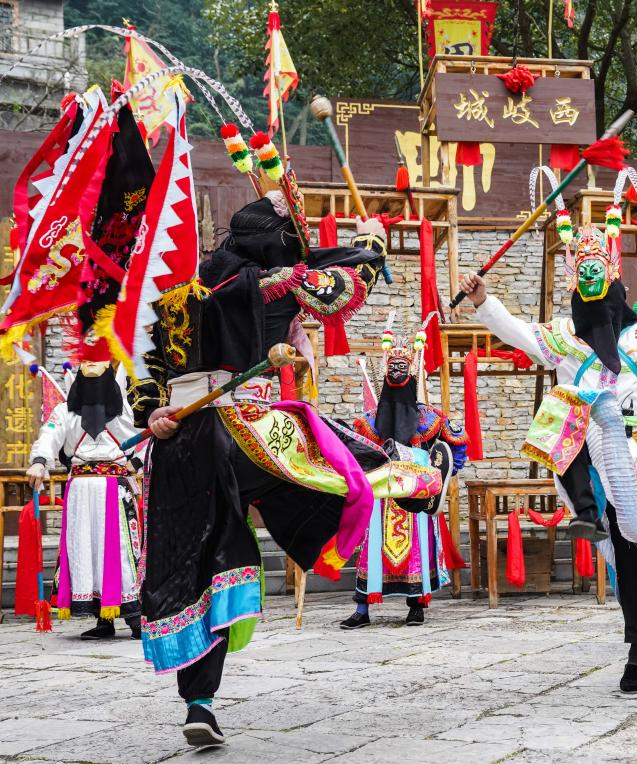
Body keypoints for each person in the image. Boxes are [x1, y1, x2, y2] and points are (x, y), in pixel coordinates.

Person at [130, 193, 387, 747]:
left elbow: (142, 360)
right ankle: (394, 499)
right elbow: (346, 288)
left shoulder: (180, 292)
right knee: (351, 467)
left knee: (201, 564)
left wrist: (150, 413)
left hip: (179, 444)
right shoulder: (278, 282)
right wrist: (371, 241)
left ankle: (199, 701)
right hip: (246, 433)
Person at [458, 225, 637, 694]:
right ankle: (586, 513)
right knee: (564, 407)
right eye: (582, 272)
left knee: (632, 552)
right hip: (581, 451)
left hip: (628, 453)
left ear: (612, 278)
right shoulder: (566, 336)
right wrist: (483, 300)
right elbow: (518, 332)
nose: (591, 280)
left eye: (598, 271)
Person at [340, 328, 467, 629]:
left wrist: (441, 476)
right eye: (392, 367)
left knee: (417, 551)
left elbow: (456, 446)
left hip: (416, 495)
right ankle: (362, 609)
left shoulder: (429, 418)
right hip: (380, 499)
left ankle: (417, 606)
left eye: (402, 366)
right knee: (371, 551)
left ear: (412, 372)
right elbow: (353, 453)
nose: (397, 371)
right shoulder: (368, 422)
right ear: (386, 373)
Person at [27, 362, 143, 640]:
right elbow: (49, 436)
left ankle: (136, 617)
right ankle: (103, 618)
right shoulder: (64, 411)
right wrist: (40, 461)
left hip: (115, 487)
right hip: (80, 489)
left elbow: (146, 437)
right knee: (85, 549)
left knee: (121, 550)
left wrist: (138, 462)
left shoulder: (125, 410)